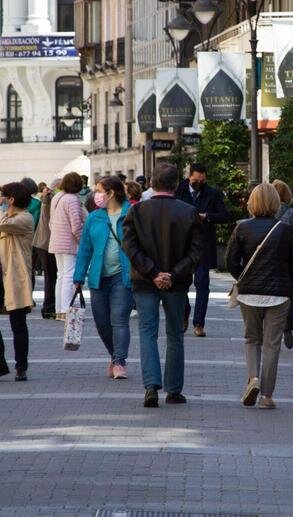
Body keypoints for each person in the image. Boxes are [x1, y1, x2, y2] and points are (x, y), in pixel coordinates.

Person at [123, 163, 204, 408]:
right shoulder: (188, 212)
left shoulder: (137, 212)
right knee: (175, 335)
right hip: (176, 283)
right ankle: (174, 389)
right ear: (176, 184)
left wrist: (152, 272)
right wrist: (172, 273)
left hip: (145, 281)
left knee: (147, 332)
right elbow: (196, 250)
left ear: (151, 183)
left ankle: (151, 385)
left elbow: (130, 247)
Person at [226, 184, 293, 409]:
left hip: (249, 293)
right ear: (276, 203)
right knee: (272, 344)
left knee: (252, 339)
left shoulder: (241, 229)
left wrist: (243, 276)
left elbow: (230, 261)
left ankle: (253, 379)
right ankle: (267, 396)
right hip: (279, 295)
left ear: (252, 203)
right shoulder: (285, 230)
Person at [74, 176, 134, 380]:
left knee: (119, 320)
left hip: (123, 276)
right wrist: (78, 275)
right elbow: (85, 248)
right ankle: (114, 355)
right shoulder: (94, 217)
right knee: (102, 322)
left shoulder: (132, 213)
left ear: (111, 193)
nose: (95, 195)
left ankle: (119, 362)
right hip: (98, 277)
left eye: (99, 190)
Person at [0, 183, 35, 382]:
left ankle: (21, 366)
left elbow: (2, 225)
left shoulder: (25, 218)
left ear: (10, 199)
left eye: (3, 196)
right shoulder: (4, 219)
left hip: (15, 278)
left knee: (17, 323)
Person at [175, 163, 230, 337]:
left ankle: (199, 323)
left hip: (203, 246)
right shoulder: (178, 191)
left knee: (202, 284)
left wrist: (207, 216)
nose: (199, 183)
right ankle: (184, 313)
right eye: (195, 180)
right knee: (181, 284)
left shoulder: (212, 194)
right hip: (182, 246)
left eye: (202, 180)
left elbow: (225, 215)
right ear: (188, 176)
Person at [271, 179, 293, 349]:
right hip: (290, 259)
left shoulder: (265, 212)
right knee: (291, 294)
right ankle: (288, 325)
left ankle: (272, 326)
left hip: (269, 259)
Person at [48, 172, 87, 320]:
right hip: (69, 242)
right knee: (69, 275)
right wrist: (83, 242)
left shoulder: (58, 197)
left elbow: (52, 221)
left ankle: (60, 309)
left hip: (57, 241)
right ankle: (66, 310)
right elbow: (76, 225)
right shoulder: (72, 200)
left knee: (61, 275)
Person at [33, 178, 60, 320]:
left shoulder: (50, 199)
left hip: (45, 242)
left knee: (52, 276)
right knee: (51, 276)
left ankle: (50, 306)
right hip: (46, 242)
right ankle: (49, 307)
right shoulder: (50, 200)